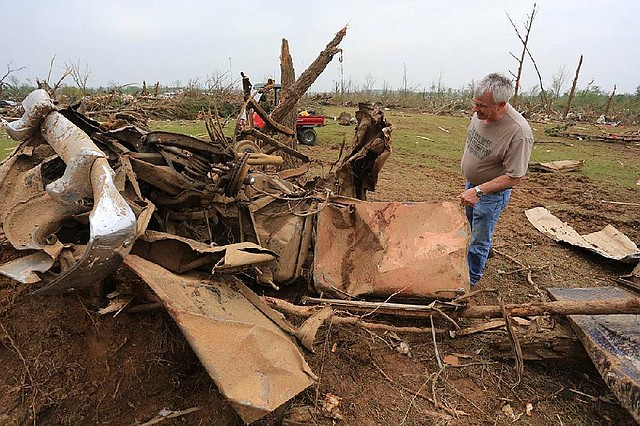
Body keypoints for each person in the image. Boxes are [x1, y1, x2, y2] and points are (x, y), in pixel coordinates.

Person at [459, 73, 534, 286]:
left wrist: (479, 191)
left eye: (482, 105)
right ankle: (484, 253)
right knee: (474, 226)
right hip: (472, 186)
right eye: (474, 103)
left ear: (501, 105)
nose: (475, 109)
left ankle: (470, 280)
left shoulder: (518, 132)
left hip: (490, 195)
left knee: (479, 238)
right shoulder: (480, 114)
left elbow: (515, 176)